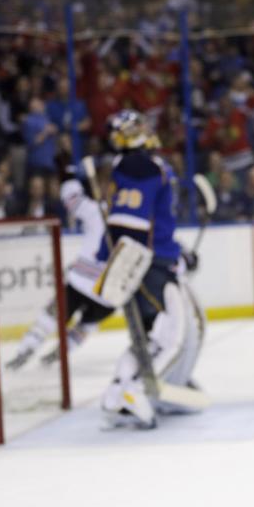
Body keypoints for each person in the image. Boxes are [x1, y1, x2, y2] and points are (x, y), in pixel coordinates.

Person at [96, 110, 203, 429]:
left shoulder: (123, 169)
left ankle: (116, 393)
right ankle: (137, 390)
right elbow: (131, 223)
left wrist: (177, 251)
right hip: (150, 266)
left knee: (146, 338)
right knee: (171, 336)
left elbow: (134, 223)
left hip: (142, 262)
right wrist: (151, 258)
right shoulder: (142, 167)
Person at [5, 166, 115, 371]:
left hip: (82, 282)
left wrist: (69, 176)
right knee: (87, 325)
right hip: (110, 292)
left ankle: (27, 349)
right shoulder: (138, 219)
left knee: (51, 316)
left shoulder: (94, 210)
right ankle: (62, 352)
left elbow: (70, 198)